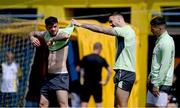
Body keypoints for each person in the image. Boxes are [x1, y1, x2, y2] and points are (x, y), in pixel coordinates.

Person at [72, 13, 136, 107]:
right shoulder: (126, 32)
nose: (110, 24)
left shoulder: (125, 30)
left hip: (124, 72)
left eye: (111, 21)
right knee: (117, 105)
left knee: (121, 105)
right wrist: (105, 81)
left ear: (119, 19)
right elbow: (109, 70)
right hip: (121, 73)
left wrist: (81, 25)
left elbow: (101, 29)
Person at [29, 16, 74, 107]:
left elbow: (65, 36)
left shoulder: (63, 32)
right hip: (48, 76)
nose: (53, 29)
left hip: (60, 75)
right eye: (50, 27)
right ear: (46, 27)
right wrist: (32, 38)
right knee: (42, 104)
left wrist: (52, 39)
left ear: (58, 26)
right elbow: (32, 32)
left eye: (55, 26)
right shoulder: (46, 34)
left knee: (63, 105)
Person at [146, 16, 175, 107]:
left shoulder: (166, 42)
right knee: (148, 106)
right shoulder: (160, 40)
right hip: (154, 82)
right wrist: (150, 77)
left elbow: (164, 65)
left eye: (152, 28)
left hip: (161, 84)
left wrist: (156, 85)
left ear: (160, 28)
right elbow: (156, 63)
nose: (151, 30)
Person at [77, 42, 112, 108]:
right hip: (97, 85)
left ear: (94, 48)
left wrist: (82, 75)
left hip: (86, 84)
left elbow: (77, 69)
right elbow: (110, 71)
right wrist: (105, 81)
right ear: (100, 49)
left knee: (84, 104)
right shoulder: (101, 59)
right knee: (98, 104)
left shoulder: (86, 58)